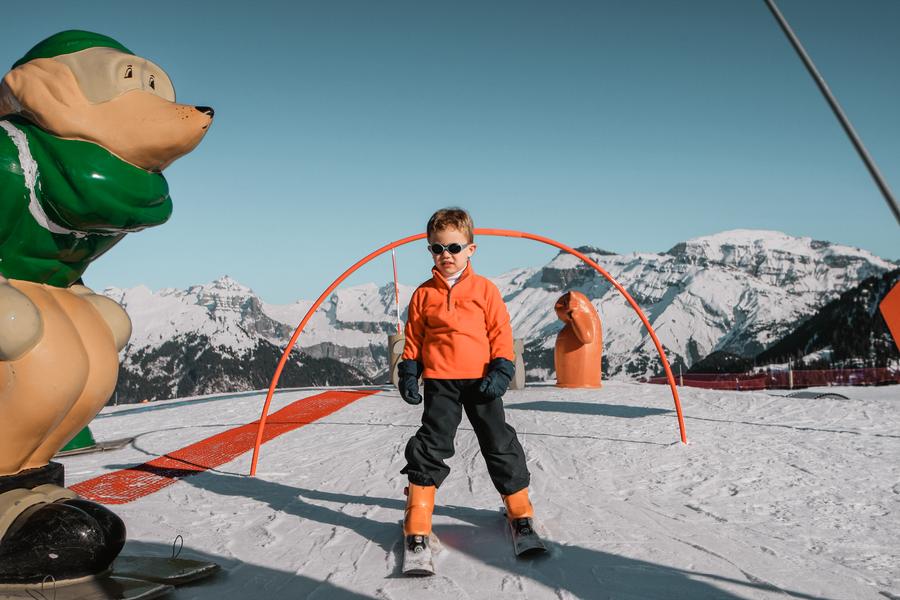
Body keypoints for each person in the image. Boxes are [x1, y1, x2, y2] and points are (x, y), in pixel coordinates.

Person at [397, 207, 534, 552]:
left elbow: (500, 332)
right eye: (437, 248)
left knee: (497, 440)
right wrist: (410, 371)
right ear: (430, 249)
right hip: (441, 382)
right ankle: (418, 514)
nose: (446, 255)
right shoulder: (423, 295)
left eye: (454, 248)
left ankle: (519, 508)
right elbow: (413, 337)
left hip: (481, 380)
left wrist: (502, 369)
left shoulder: (485, 290)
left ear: (470, 249)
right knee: (431, 444)